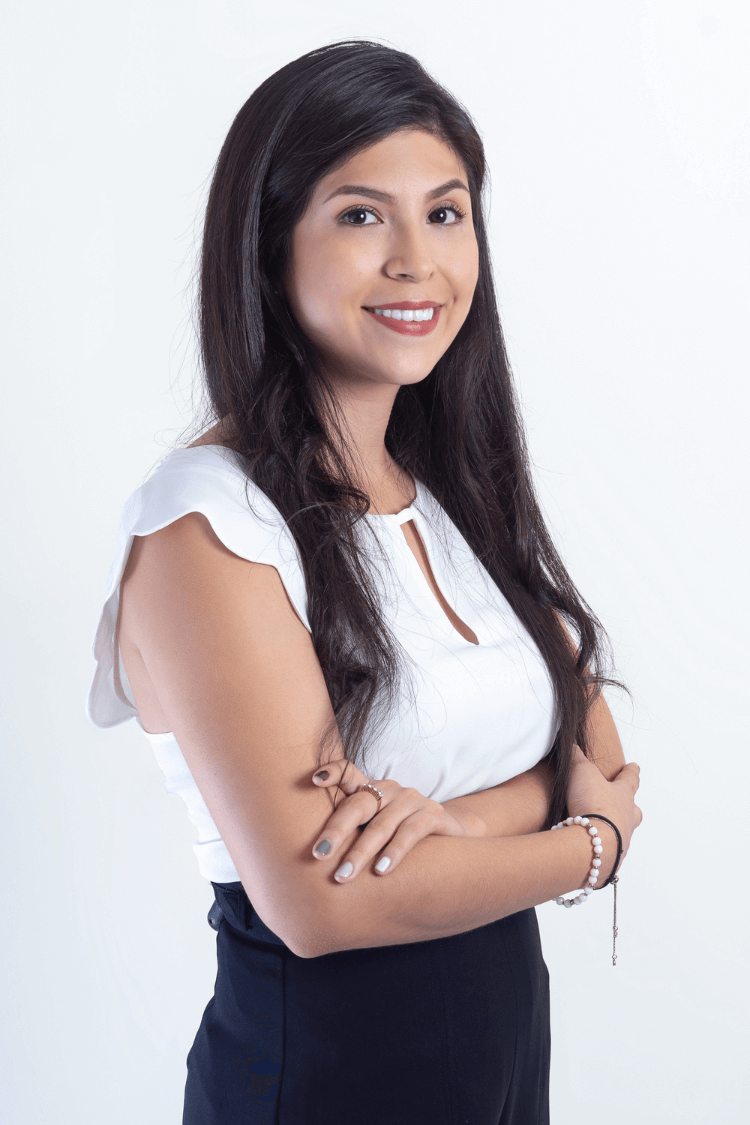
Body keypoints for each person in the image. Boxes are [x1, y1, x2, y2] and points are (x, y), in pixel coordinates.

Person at [86, 39, 642, 1125]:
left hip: (499, 1067)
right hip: (322, 1083)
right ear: (265, 248)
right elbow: (320, 906)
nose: (416, 262)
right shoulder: (209, 526)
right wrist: (590, 839)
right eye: (359, 215)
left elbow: (595, 740)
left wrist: (471, 825)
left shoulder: (447, 493)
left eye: (445, 213)